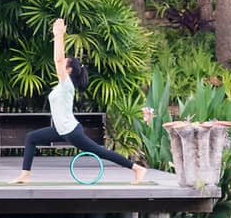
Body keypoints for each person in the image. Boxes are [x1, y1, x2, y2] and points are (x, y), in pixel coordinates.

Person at [8, 18, 147, 185]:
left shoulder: (67, 85)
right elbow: (59, 61)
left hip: (71, 131)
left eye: (64, 64)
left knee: (100, 152)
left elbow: (58, 60)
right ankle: (25, 174)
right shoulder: (63, 85)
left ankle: (137, 168)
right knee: (31, 137)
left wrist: (59, 35)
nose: (59, 65)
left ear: (69, 70)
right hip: (61, 129)